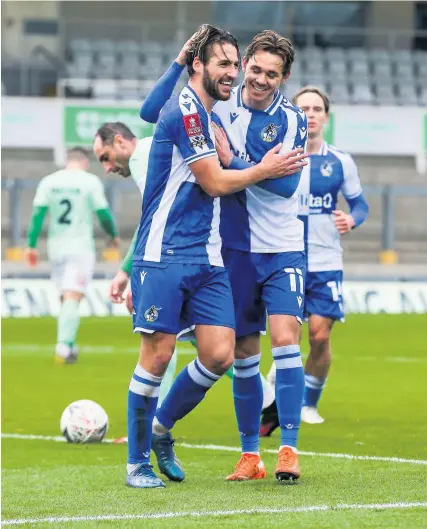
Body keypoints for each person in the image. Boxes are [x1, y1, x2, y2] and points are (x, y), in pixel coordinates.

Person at [124, 24, 305, 490]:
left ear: (283, 78)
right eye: (233, 65)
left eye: (235, 64)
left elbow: (281, 184)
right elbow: (212, 179)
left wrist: (245, 163)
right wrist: (260, 167)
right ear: (202, 65)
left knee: (222, 354)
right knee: (160, 354)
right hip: (169, 250)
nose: (245, 76)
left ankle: (162, 429)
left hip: (214, 253)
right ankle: (137, 461)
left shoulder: (257, 113)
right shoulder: (194, 110)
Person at [260, 86, 369, 434]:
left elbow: (360, 204)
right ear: (294, 114)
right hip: (287, 256)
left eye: (317, 108)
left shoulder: (340, 161)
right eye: (303, 108)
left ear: (326, 115)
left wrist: (351, 220)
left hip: (326, 261)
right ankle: (277, 398)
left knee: (320, 337)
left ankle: (308, 402)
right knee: (288, 333)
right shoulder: (279, 156)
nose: (310, 114)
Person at [94, 122, 188, 481]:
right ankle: (155, 432)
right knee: (198, 349)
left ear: (119, 141)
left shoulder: (143, 155)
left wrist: (136, 272)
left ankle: (154, 432)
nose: (106, 166)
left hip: (179, 262)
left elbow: (157, 216)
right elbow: (156, 215)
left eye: (105, 156)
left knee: (216, 352)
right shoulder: (151, 152)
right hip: (186, 258)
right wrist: (127, 270)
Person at [25, 147, 119, 364]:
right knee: (73, 296)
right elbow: (103, 213)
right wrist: (113, 235)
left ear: (67, 161)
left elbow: (38, 214)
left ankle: (69, 344)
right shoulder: (89, 182)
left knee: (65, 296)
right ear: (84, 162)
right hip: (80, 247)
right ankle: (64, 346)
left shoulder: (49, 182)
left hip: (55, 247)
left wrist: (30, 245)